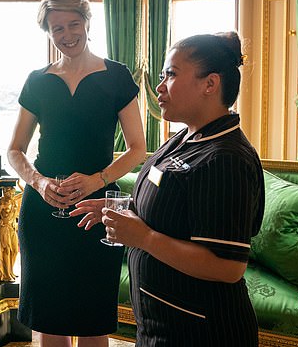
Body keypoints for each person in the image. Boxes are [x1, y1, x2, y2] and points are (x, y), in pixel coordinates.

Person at [71, 32, 264, 347]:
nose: (159, 87)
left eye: (171, 75)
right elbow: (177, 203)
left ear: (210, 84)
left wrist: (143, 238)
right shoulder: (184, 138)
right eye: (162, 76)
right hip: (161, 325)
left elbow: (228, 266)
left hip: (202, 332)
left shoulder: (226, 159)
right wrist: (127, 208)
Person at [7, 0, 146, 347]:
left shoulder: (116, 76)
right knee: (48, 319)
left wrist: (96, 181)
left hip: (95, 210)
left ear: (87, 22)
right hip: (42, 213)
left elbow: (137, 149)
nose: (67, 35)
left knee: (91, 321)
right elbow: (15, 151)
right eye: (57, 29)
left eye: (73, 25)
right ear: (47, 32)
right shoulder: (37, 81)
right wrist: (38, 183)